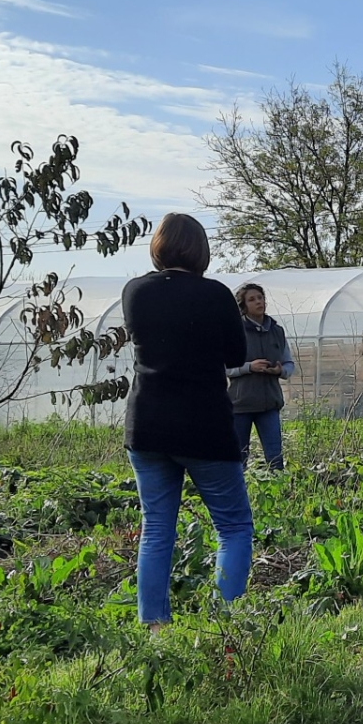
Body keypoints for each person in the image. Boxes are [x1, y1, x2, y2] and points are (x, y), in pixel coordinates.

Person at [121, 213, 252, 629]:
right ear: (200, 250)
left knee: (157, 528)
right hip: (204, 425)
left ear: (158, 246)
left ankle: (155, 628)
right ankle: (224, 625)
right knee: (233, 527)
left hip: (147, 423)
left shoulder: (134, 291)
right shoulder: (215, 295)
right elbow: (235, 356)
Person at [227, 282, 295, 471]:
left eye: (260, 298)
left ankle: (278, 492)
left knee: (275, 456)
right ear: (243, 306)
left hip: (269, 403)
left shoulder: (277, 331)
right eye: (252, 299)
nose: (258, 302)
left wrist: (280, 371)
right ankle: (241, 494)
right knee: (239, 456)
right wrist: (249, 367)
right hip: (241, 404)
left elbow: (289, 363)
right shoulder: (234, 331)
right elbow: (225, 367)